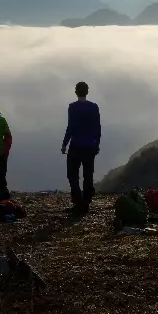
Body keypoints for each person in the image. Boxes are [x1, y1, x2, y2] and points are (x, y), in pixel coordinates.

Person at [61, 81, 101, 215]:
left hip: (76, 145)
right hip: (90, 146)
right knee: (88, 174)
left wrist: (64, 143)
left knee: (72, 174)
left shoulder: (72, 107)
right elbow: (97, 128)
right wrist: (97, 144)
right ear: (87, 92)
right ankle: (86, 203)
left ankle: (78, 202)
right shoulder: (94, 107)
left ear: (76, 92)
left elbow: (70, 127)